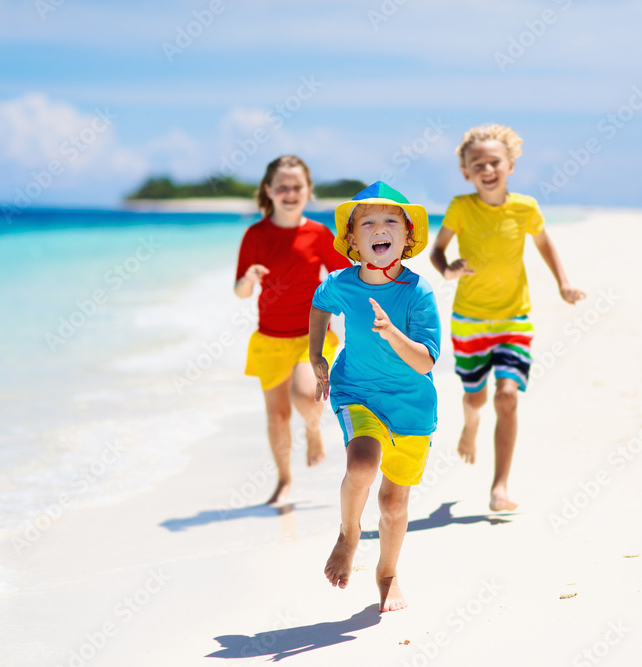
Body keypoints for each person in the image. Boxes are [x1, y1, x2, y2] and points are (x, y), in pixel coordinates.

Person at [430, 124, 586, 512]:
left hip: (515, 318)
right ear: (466, 171)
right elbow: (437, 251)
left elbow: (545, 243)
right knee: (476, 396)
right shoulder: (461, 207)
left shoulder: (526, 208)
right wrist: (448, 270)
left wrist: (564, 283)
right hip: (470, 320)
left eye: (494, 161)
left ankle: (499, 488)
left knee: (507, 397)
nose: (486, 168)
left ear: (510, 164)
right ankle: (470, 424)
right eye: (476, 163)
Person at [309, 181, 440, 612]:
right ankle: (348, 534)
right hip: (356, 390)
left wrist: (392, 333)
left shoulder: (417, 292)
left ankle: (387, 574)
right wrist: (316, 356)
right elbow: (319, 303)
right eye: (367, 223)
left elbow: (425, 362)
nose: (379, 229)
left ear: (406, 237)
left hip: (412, 408)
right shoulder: (341, 283)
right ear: (351, 239)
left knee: (392, 502)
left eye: (390, 222)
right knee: (362, 463)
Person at [235, 155, 352, 505]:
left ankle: (313, 429)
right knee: (277, 415)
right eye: (282, 186)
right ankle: (284, 481)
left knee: (306, 396)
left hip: (311, 335)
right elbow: (240, 291)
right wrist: (248, 278)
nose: (290, 192)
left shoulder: (317, 234)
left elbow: (344, 279)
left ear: (308, 191)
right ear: (268, 191)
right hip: (270, 337)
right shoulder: (255, 235)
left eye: (297, 186)